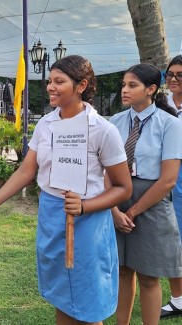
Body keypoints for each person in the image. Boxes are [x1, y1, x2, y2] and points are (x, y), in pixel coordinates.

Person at [0, 55, 132, 324]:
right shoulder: (45, 124)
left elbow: (123, 188)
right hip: (51, 216)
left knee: (88, 302)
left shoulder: (103, 130)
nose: (50, 87)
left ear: (81, 86)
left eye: (59, 81)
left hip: (88, 222)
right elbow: (26, 170)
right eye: (49, 81)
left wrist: (85, 206)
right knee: (61, 297)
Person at [109, 63, 182, 325]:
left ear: (151, 89)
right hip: (117, 197)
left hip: (151, 201)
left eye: (132, 85)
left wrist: (131, 211)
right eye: (124, 84)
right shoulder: (115, 122)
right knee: (123, 271)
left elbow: (168, 180)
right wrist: (115, 211)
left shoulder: (170, 124)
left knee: (150, 276)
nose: (124, 90)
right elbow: (104, 170)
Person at [161, 54, 182, 319]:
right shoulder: (162, 105)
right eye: (170, 75)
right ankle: (178, 298)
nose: (174, 79)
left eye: (180, 75)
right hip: (166, 179)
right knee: (172, 240)